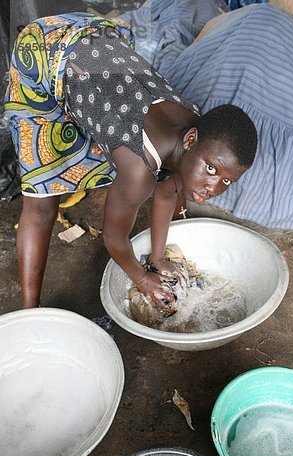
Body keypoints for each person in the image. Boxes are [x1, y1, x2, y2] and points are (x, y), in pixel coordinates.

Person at [4, 12, 257, 310]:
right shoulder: (139, 167)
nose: (213, 187)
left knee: (105, 146)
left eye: (226, 180)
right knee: (43, 201)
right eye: (211, 169)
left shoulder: (193, 129)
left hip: (96, 52)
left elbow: (168, 190)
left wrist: (158, 258)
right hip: (46, 52)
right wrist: (141, 279)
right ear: (190, 140)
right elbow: (113, 238)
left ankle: (79, 106)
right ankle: (29, 311)